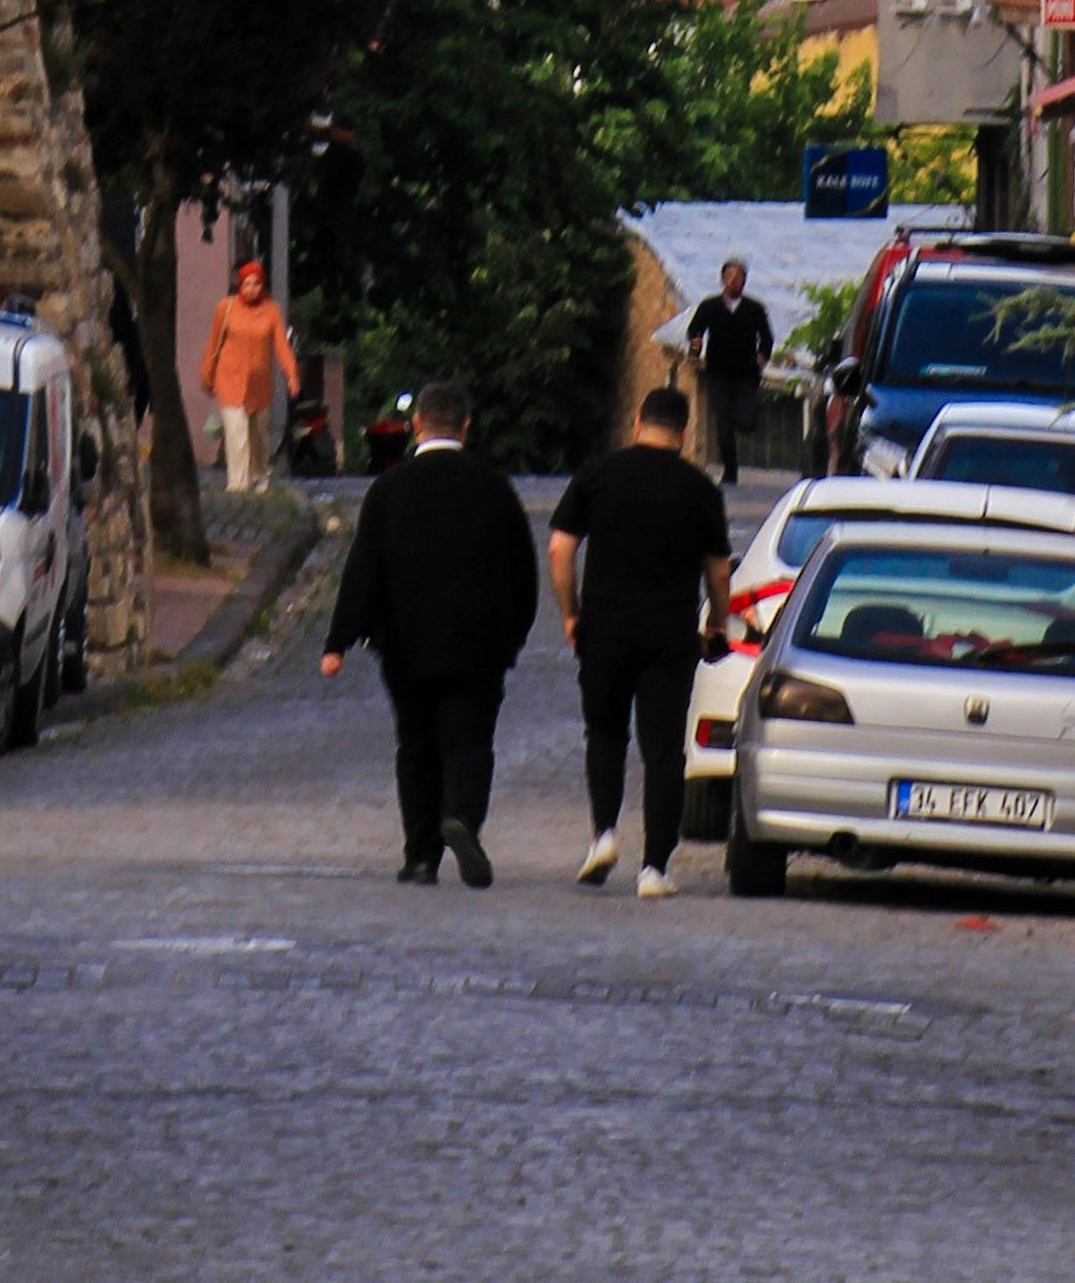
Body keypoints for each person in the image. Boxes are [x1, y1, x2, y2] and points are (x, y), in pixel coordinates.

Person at [321, 379, 541, 884]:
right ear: (465, 426)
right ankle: (461, 815)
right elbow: (521, 569)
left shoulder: (390, 490)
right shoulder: (494, 488)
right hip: (478, 645)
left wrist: (339, 641)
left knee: (416, 745)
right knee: (469, 742)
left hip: (405, 643)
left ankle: (421, 856)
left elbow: (363, 570)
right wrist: (515, 633)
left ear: (416, 425)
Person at [549, 382, 733, 899]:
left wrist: (571, 612)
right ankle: (654, 868)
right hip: (669, 636)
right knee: (663, 752)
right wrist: (717, 624)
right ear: (684, 432)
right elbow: (718, 574)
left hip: (604, 629)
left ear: (637, 424)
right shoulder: (700, 489)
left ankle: (603, 835)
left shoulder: (598, 474)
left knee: (604, 735)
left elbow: (561, 548)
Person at [198, 251, 298, 492]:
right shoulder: (227, 308)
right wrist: (207, 374)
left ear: (262, 285)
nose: (251, 289)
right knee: (236, 433)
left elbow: (281, 347)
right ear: (239, 285)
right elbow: (214, 343)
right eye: (247, 284)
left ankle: (259, 474)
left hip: (259, 384)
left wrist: (292, 374)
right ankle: (238, 484)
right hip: (229, 380)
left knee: (258, 436)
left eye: (256, 284)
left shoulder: (271, 310)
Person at [684, 259, 776, 485]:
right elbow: (695, 329)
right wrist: (695, 345)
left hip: (746, 374)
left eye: (740, 277)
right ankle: (730, 470)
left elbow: (766, 336)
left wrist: (763, 356)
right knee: (723, 425)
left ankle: (742, 417)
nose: (735, 282)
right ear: (723, 279)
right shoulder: (710, 306)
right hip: (718, 374)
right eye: (731, 277)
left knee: (745, 421)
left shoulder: (754, 309)